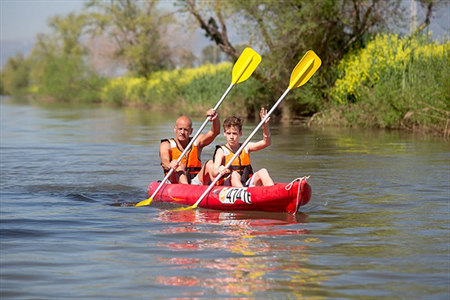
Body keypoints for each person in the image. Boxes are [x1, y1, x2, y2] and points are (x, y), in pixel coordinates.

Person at [212, 107, 275, 187]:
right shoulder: (221, 151)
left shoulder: (246, 147)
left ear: (240, 133)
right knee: (235, 174)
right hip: (228, 186)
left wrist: (265, 125)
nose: (231, 137)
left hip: (246, 182)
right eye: (229, 133)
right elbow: (214, 173)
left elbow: (266, 142)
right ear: (224, 133)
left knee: (263, 171)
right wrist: (219, 170)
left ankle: (273, 194)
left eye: (234, 133)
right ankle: (243, 195)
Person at [160, 109, 219, 185]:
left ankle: (216, 189)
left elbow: (214, 132)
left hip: (194, 182)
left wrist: (215, 119)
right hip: (174, 182)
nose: (182, 132)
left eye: (185, 130)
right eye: (180, 129)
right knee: (179, 166)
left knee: (210, 163)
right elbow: (164, 160)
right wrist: (170, 165)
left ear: (191, 131)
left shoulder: (197, 142)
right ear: (175, 129)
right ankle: (186, 188)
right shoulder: (166, 144)